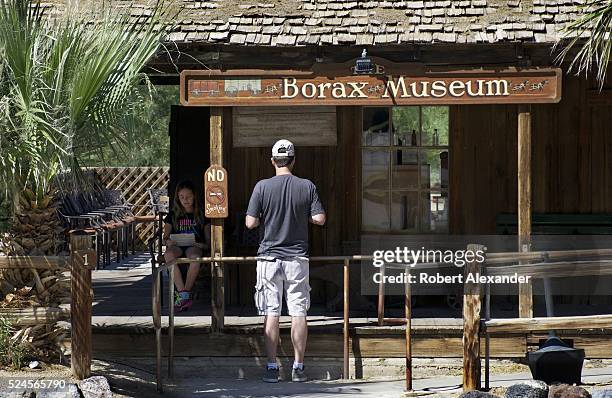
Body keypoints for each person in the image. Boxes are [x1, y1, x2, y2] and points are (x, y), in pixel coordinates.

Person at [245, 139, 326, 383]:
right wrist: (304, 217)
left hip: (269, 258)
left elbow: (250, 223)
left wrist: (265, 217)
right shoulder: (306, 186)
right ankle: (298, 366)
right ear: (293, 160)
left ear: (272, 161)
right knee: (298, 312)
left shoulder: (261, 187)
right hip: (297, 258)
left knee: (271, 312)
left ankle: (271, 366)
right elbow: (320, 218)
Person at [163, 180, 210, 312]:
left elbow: (208, 242)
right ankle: (183, 293)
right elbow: (165, 237)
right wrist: (168, 242)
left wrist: (202, 245)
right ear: (177, 197)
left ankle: (185, 293)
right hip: (177, 245)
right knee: (168, 255)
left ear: (194, 196)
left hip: (194, 245)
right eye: (182, 197)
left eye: (188, 196)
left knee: (194, 257)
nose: (185, 200)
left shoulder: (202, 214)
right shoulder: (172, 215)